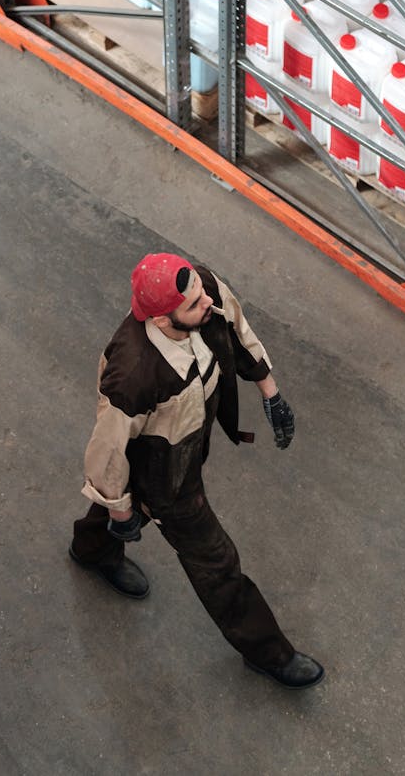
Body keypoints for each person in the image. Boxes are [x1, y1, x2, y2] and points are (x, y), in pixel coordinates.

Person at [70, 252, 324, 690]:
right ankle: (268, 652)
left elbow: (235, 326)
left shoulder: (197, 290)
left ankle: (91, 551)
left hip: (187, 447)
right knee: (216, 561)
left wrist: (270, 391)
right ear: (164, 320)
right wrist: (119, 508)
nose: (207, 301)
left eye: (203, 294)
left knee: (131, 511)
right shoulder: (132, 373)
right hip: (163, 476)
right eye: (194, 305)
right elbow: (109, 451)